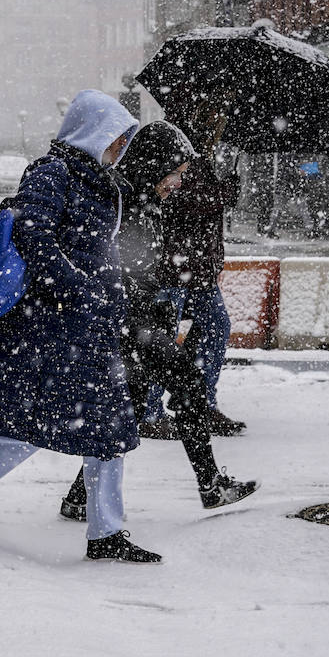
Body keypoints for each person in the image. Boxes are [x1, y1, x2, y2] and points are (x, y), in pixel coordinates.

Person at [0, 90, 161, 563]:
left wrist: (110, 293)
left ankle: (106, 533)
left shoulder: (103, 182)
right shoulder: (53, 172)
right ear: (92, 132)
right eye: (116, 136)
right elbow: (32, 238)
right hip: (46, 331)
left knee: (107, 431)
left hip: (88, 329)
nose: (121, 146)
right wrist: (80, 287)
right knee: (20, 431)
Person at [57, 122, 258, 521]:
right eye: (177, 173)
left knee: (126, 411)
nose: (179, 183)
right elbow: (116, 269)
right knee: (187, 385)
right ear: (155, 166)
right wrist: (143, 315)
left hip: (142, 319)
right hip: (130, 322)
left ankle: (79, 498)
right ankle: (210, 485)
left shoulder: (144, 201)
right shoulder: (124, 203)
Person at [140, 108, 247, 440]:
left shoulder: (207, 156)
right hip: (172, 268)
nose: (221, 124)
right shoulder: (179, 151)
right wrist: (225, 191)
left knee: (217, 326)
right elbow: (180, 200)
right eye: (217, 117)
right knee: (162, 340)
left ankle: (199, 405)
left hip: (199, 269)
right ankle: (150, 412)